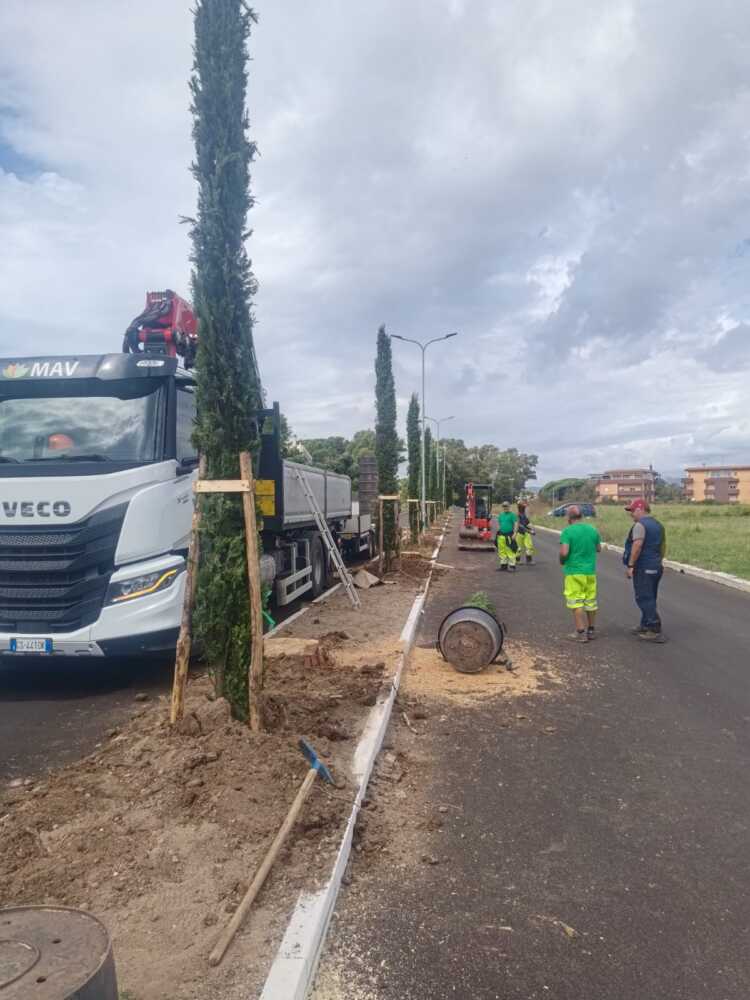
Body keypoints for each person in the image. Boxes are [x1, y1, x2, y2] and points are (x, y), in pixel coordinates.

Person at [623, 498, 666, 642]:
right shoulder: (658, 525)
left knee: (643, 597)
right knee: (650, 596)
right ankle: (645, 624)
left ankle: (654, 628)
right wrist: (658, 561)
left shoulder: (640, 526)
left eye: (632, 511)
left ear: (640, 509)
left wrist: (631, 565)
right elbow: (662, 547)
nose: (631, 515)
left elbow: (637, 545)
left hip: (643, 566)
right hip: (655, 566)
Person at [559, 504, 601, 642]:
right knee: (590, 602)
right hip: (590, 572)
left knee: (576, 602)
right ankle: (591, 630)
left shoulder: (567, 532)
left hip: (574, 571)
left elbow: (564, 552)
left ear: (569, 517)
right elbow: (598, 548)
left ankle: (580, 632)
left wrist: (562, 560)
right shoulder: (592, 530)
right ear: (581, 516)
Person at [496, 501, 518, 571]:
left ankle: (512, 566)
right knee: (501, 551)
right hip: (501, 535)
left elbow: (516, 524)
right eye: (504, 506)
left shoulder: (512, 515)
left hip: (509, 535)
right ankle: (503, 565)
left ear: (509, 507)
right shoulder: (501, 515)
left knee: (510, 550)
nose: (505, 507)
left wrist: (515, 533)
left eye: (506, 506)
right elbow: (499, 523)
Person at [515, 500, 535, 564]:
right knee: (518, 548)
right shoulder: (517, 515)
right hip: (519, 533)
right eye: (523, 506)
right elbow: (520, 525)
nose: (524, 507)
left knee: (529, 546)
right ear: (520, 507)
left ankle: (528, 560)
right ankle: (517, 560)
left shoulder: (523, 514)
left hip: (526, 533)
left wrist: (531, 528)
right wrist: (529, 531)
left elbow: (527, 522)